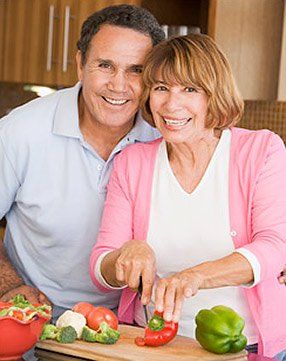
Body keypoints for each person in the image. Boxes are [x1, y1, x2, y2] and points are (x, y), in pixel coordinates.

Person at [90, 34, 286, 359]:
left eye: (190, 89)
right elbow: (100, 266)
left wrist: (193, 277)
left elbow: (276, 247)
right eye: (161, 88)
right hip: (149, 344)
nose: (171, 105)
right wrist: (126, 254)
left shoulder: (261, 151)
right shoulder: (132, 162)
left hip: (245, 346)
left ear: (214, 95)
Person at [0, 4, 165, 319]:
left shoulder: (166, 135)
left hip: (135, 325)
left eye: (136, 70)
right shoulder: (19, 133)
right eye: (105, 65)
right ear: (80, 63)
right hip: (38, 321)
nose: (119, 85)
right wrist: (9, 286)